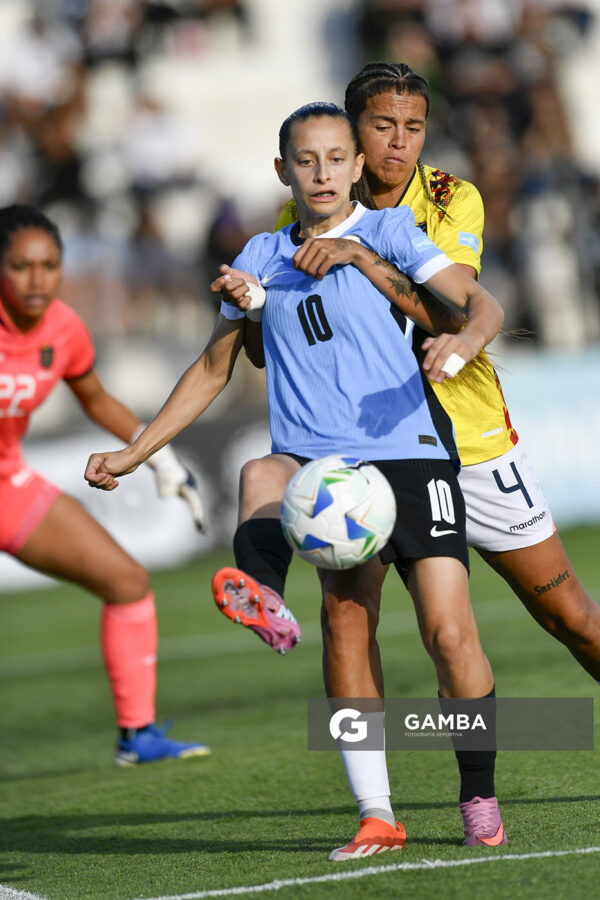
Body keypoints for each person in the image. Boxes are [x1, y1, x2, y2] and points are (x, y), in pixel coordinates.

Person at [85, 102, 507, 855]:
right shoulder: (256, 256)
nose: (321, 172)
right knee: (277, 500)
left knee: (449, 635)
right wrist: (134, 452)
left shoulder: (387, 231)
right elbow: (212, 369)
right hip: (322, 471)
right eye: (304, 161)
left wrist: (391, 285)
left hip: (409, 454)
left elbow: (469, 306)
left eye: (335, 158)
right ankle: (372, 802)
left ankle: (478, 794)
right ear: (283, 171)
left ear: (355, 167)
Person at [231, 62, 600, 849]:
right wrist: (256, 306)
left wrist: (371, 266)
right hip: (362, 457)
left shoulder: (445, 198)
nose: (398, 144)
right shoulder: (296, 212)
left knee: (569, 619)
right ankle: (384, 812)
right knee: (348, 624)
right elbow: (269, 346)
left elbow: (453, 305)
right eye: (382, 127)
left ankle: (476, 765)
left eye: (413, 128)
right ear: (351, 137)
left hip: (466, 443)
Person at [0, 204, 210, 766]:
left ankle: (136, 736)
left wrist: (157, 457)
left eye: (49, 265)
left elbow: (95, 399)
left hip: (7, 485)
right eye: (21, 266)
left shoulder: (63, 328)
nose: (38, 279)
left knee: (127, 581)